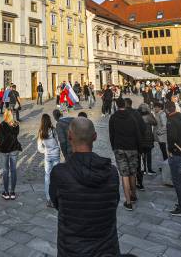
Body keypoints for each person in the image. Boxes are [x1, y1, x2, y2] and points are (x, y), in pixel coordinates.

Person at [49, 117, 120, 256]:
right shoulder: (111, 172)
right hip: (106, 249)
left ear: (69, 136)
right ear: (95, 137)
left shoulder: (59, 173)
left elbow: (57, 204)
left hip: (71, 249)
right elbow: (114, 202)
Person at [109, 98, 143, 210]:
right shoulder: (132, 117)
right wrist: (140, 148)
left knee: (124, 175)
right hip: (132, 148)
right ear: (125, 105)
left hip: (119, 148)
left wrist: (114, 147)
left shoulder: (113, 118)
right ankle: (133, 195)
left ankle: (128, 202)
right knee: (132, 173)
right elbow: (137, 133)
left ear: (116, 105)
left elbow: (111, 134)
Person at [166, 102, 181, 216]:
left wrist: (170, 150)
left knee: (177, 182)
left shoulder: (171, 121)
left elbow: (172, 138)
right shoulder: (180, 119)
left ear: (167, 110)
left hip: (176, 153)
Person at [0, 109, 22, 200]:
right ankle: (12, 192)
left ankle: (6, 192)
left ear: (5, 115)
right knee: (13, 170)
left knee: (5, 170)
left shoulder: (2, 125)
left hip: (5, 149)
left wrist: (3, 141)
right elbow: (16, 135)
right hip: (14, 148)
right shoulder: (16, 124)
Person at [37, 113, 60, 208]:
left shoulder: (41, 132)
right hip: (56, 155)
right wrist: (57, 149)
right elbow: (58, 141)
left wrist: (45, 151)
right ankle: (56, 198)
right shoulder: (53, 130)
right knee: (56, 176)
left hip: (48, 156)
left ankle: (48, 198)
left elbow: (39, 148)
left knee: (47, 177)